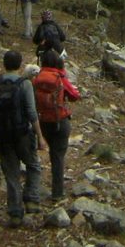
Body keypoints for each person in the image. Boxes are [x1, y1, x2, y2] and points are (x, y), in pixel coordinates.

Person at [0, 49, 46, 227]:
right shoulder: (24, 84)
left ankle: (15, 213)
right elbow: (32, 113)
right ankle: (32, 200)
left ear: (4, 64)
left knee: (11, 173)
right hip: (23, 134)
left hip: (1, 134)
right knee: (33, 165)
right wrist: (40, 137)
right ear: (20, 65)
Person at [32, 48, 80, 202]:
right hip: (59, 122)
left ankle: (32, 191)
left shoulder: (36, 78)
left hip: (42, 122)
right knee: (57, 157)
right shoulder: (60, 77)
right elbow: (74, 96)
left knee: (35, 156)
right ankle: (57, 193)